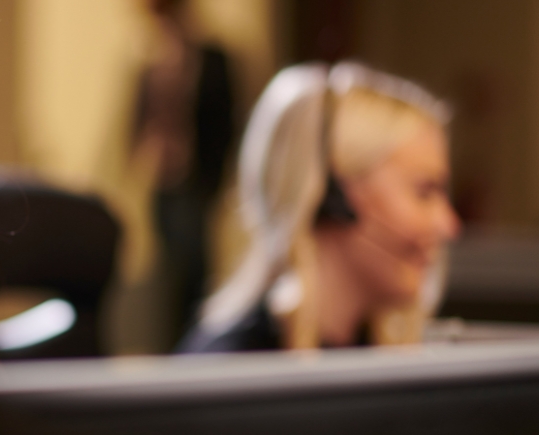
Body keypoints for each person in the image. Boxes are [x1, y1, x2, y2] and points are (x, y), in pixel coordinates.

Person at [178, 61, 459, 353]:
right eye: (424, 192)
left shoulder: (377, 358)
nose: (449, 224)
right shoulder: (230, 370)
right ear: (334, 196)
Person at [128, 0, 235, 347]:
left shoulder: (209, 54)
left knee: (193, 268)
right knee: (169, 268)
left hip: (196, 176)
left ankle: (195, 346)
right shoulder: (152, 51)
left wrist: (220, 179)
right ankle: (172, 347)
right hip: (163, 174)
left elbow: (225, 118)